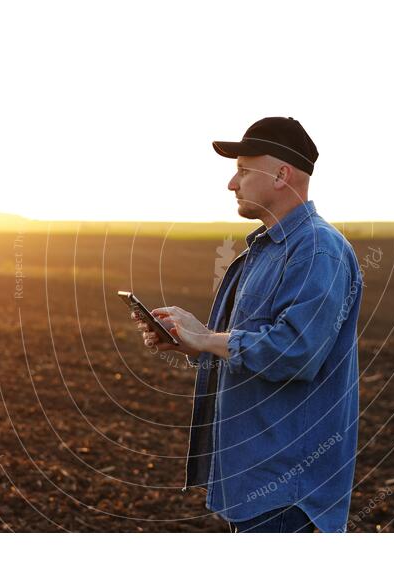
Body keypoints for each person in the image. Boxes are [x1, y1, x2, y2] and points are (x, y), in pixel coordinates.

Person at [132, 117, 363, 533]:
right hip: (255, 483)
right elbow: (251, 346)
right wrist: (195, 339)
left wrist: (206, 339)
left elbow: (295, 352)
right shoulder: (266, 250)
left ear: (281, 174)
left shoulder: (317, 250)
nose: (231, 183)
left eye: (242, 169)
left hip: (288, 491)